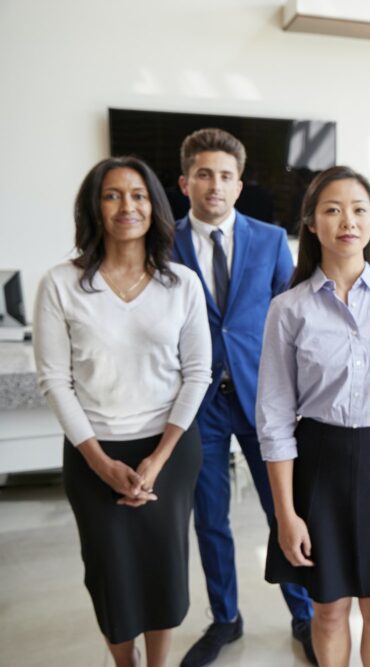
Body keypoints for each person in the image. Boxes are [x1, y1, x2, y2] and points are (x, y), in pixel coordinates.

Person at [33, 156, 211, 667]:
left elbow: (196, 373)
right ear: (95, 207)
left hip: (169, 450)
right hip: (95, 451)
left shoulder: (182, 284)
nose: (126, 206)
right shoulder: (61, 284)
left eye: (137, 195)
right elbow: (55, 381)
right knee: (110, 571)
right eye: (112, 195)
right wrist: (99, 462)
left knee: (163, 568)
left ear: (154, 207)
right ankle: (124, 661)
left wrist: (158, 459)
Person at [171, 128, 314, 666]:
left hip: (261, 398)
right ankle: (225, 619)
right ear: (186, 182)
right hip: (196, 402)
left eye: (226, 176)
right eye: (204, 174)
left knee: (284, 511)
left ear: (239, 183)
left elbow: (290, 316)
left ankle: (302, 614)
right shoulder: (166, 241)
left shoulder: (271, 238)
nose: (216, 185)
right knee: (210, 518)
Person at [257, 166, 370, 667]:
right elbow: (274, 417)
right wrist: (285, 514)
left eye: (360, 209)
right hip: (317, 466)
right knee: (327, 608)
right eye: (333, 209)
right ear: (313, 224)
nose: (348, 220)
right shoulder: (288, 309)